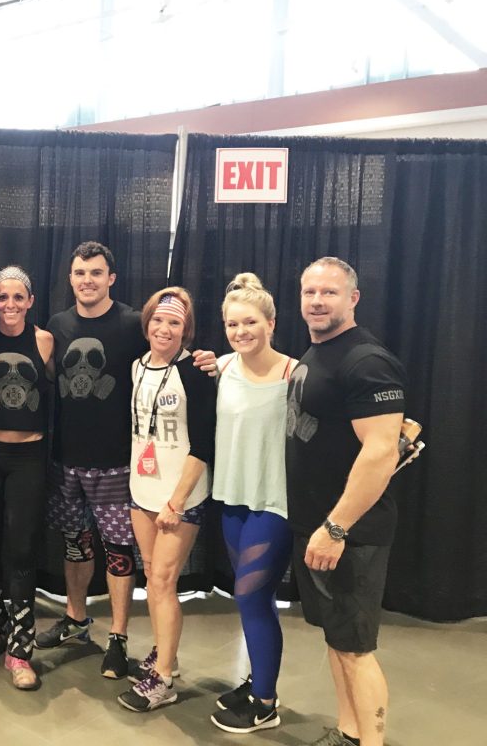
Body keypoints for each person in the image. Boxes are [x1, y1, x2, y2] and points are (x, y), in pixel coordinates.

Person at [285, 257, 406, 746]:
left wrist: (336, 528)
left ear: (353, 298)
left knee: (356, 649)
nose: (317, 301)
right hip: (316, 526)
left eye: (329, 292)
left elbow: (381, 452)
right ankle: (349, 733)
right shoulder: (320, 353)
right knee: (336, 639)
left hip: (349, 534)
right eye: (310, 292)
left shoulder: (366, 360)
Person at [35, 241, 147, 679]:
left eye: (96, 273)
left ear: (111, 278)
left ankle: (118, 637)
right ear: (70, 278)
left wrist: (207, 362)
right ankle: (76, 619)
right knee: (75, 544)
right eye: (80, 273)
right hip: (67, 459)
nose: (87, 280)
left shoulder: (133, 323)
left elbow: (167, 360)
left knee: (119, 551)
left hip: (116, 461)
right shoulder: (58, 324)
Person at [117, 287, 216, 713]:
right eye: (158, 320)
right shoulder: (136, 367)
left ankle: (163, 680)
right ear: (147, 323)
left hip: (181, 496)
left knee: (162, 582)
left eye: (174, 323)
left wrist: (177, 502)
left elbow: (203, 445)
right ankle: (163, 654)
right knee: (152, 576)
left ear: (185, 330)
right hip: (142, 490)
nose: (164, 328)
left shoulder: (196, 371)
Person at [208, 273, 296, 733]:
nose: (241, 331)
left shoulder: (294, 374)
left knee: (251, 594)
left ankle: (265, 703)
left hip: (274, 503)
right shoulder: (222, 368)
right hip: (232, 500)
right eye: (232, 324)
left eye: (250, 322)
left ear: (271, 323)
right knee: (252, 602)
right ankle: (259, 681)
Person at [0, 265, 53, 690]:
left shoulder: (44, 340)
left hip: (28, 457)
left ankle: (21, 649)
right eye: (2, 297)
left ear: (31, 301)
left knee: (20, 549)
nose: (10, 305)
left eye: (19, 297)